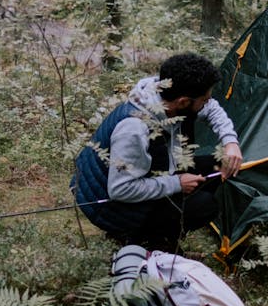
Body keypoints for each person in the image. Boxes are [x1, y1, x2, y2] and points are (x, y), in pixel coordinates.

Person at [72, 53, 243, 250]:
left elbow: (211, 108)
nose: (208, 102)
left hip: (139, 175)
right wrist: (176, 183)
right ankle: (144, 240)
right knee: (205, 206)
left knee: (218, 163)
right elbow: (120, 190)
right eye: (203, 99)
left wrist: (230, 141)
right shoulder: (134, 129)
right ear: (183, 102)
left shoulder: (163, 93)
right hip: (109, 206)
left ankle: (162, 227)